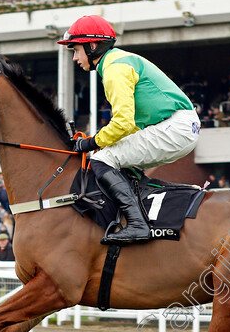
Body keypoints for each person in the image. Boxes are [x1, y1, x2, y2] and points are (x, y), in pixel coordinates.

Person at [58, 15, 200, 244]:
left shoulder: (114, 68)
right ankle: (144, 214)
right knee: (117, 160)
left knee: (102, 158)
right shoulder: (117, 61)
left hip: (176, 127)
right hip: (178, 125)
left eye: (76, 50)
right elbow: (129, 124)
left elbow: (123, 123)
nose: (74, 57)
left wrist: (91, 142)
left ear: (92, 46)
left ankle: (137, 224)